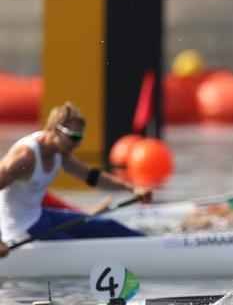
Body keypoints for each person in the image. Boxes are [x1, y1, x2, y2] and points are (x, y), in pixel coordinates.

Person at [0, 102, 147, 257]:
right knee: (75, 246)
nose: (77, 143)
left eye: (80, 138)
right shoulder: (25, 157)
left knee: (109, 227)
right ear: (56, 130)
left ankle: (152, 243)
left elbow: (91, 176)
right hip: (20, 230)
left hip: (40, 216)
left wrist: (132, 188)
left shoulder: (59, 152)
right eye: (74, 137)